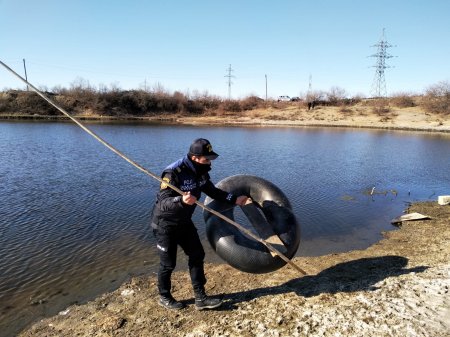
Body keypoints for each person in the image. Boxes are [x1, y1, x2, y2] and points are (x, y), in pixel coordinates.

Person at [151, 138, 248, 310]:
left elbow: (212, 191)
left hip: (184, 222)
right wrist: (181, 200)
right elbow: (162, 203)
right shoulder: (173, 172)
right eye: (207, 159)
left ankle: (200, 297)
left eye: (210, 158)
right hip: (165, 224)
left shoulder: (201, 172)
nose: (210, 162)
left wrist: (235, 199)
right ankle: (164, 296)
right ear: (195, 157)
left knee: (197, 255)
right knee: (168, 264)